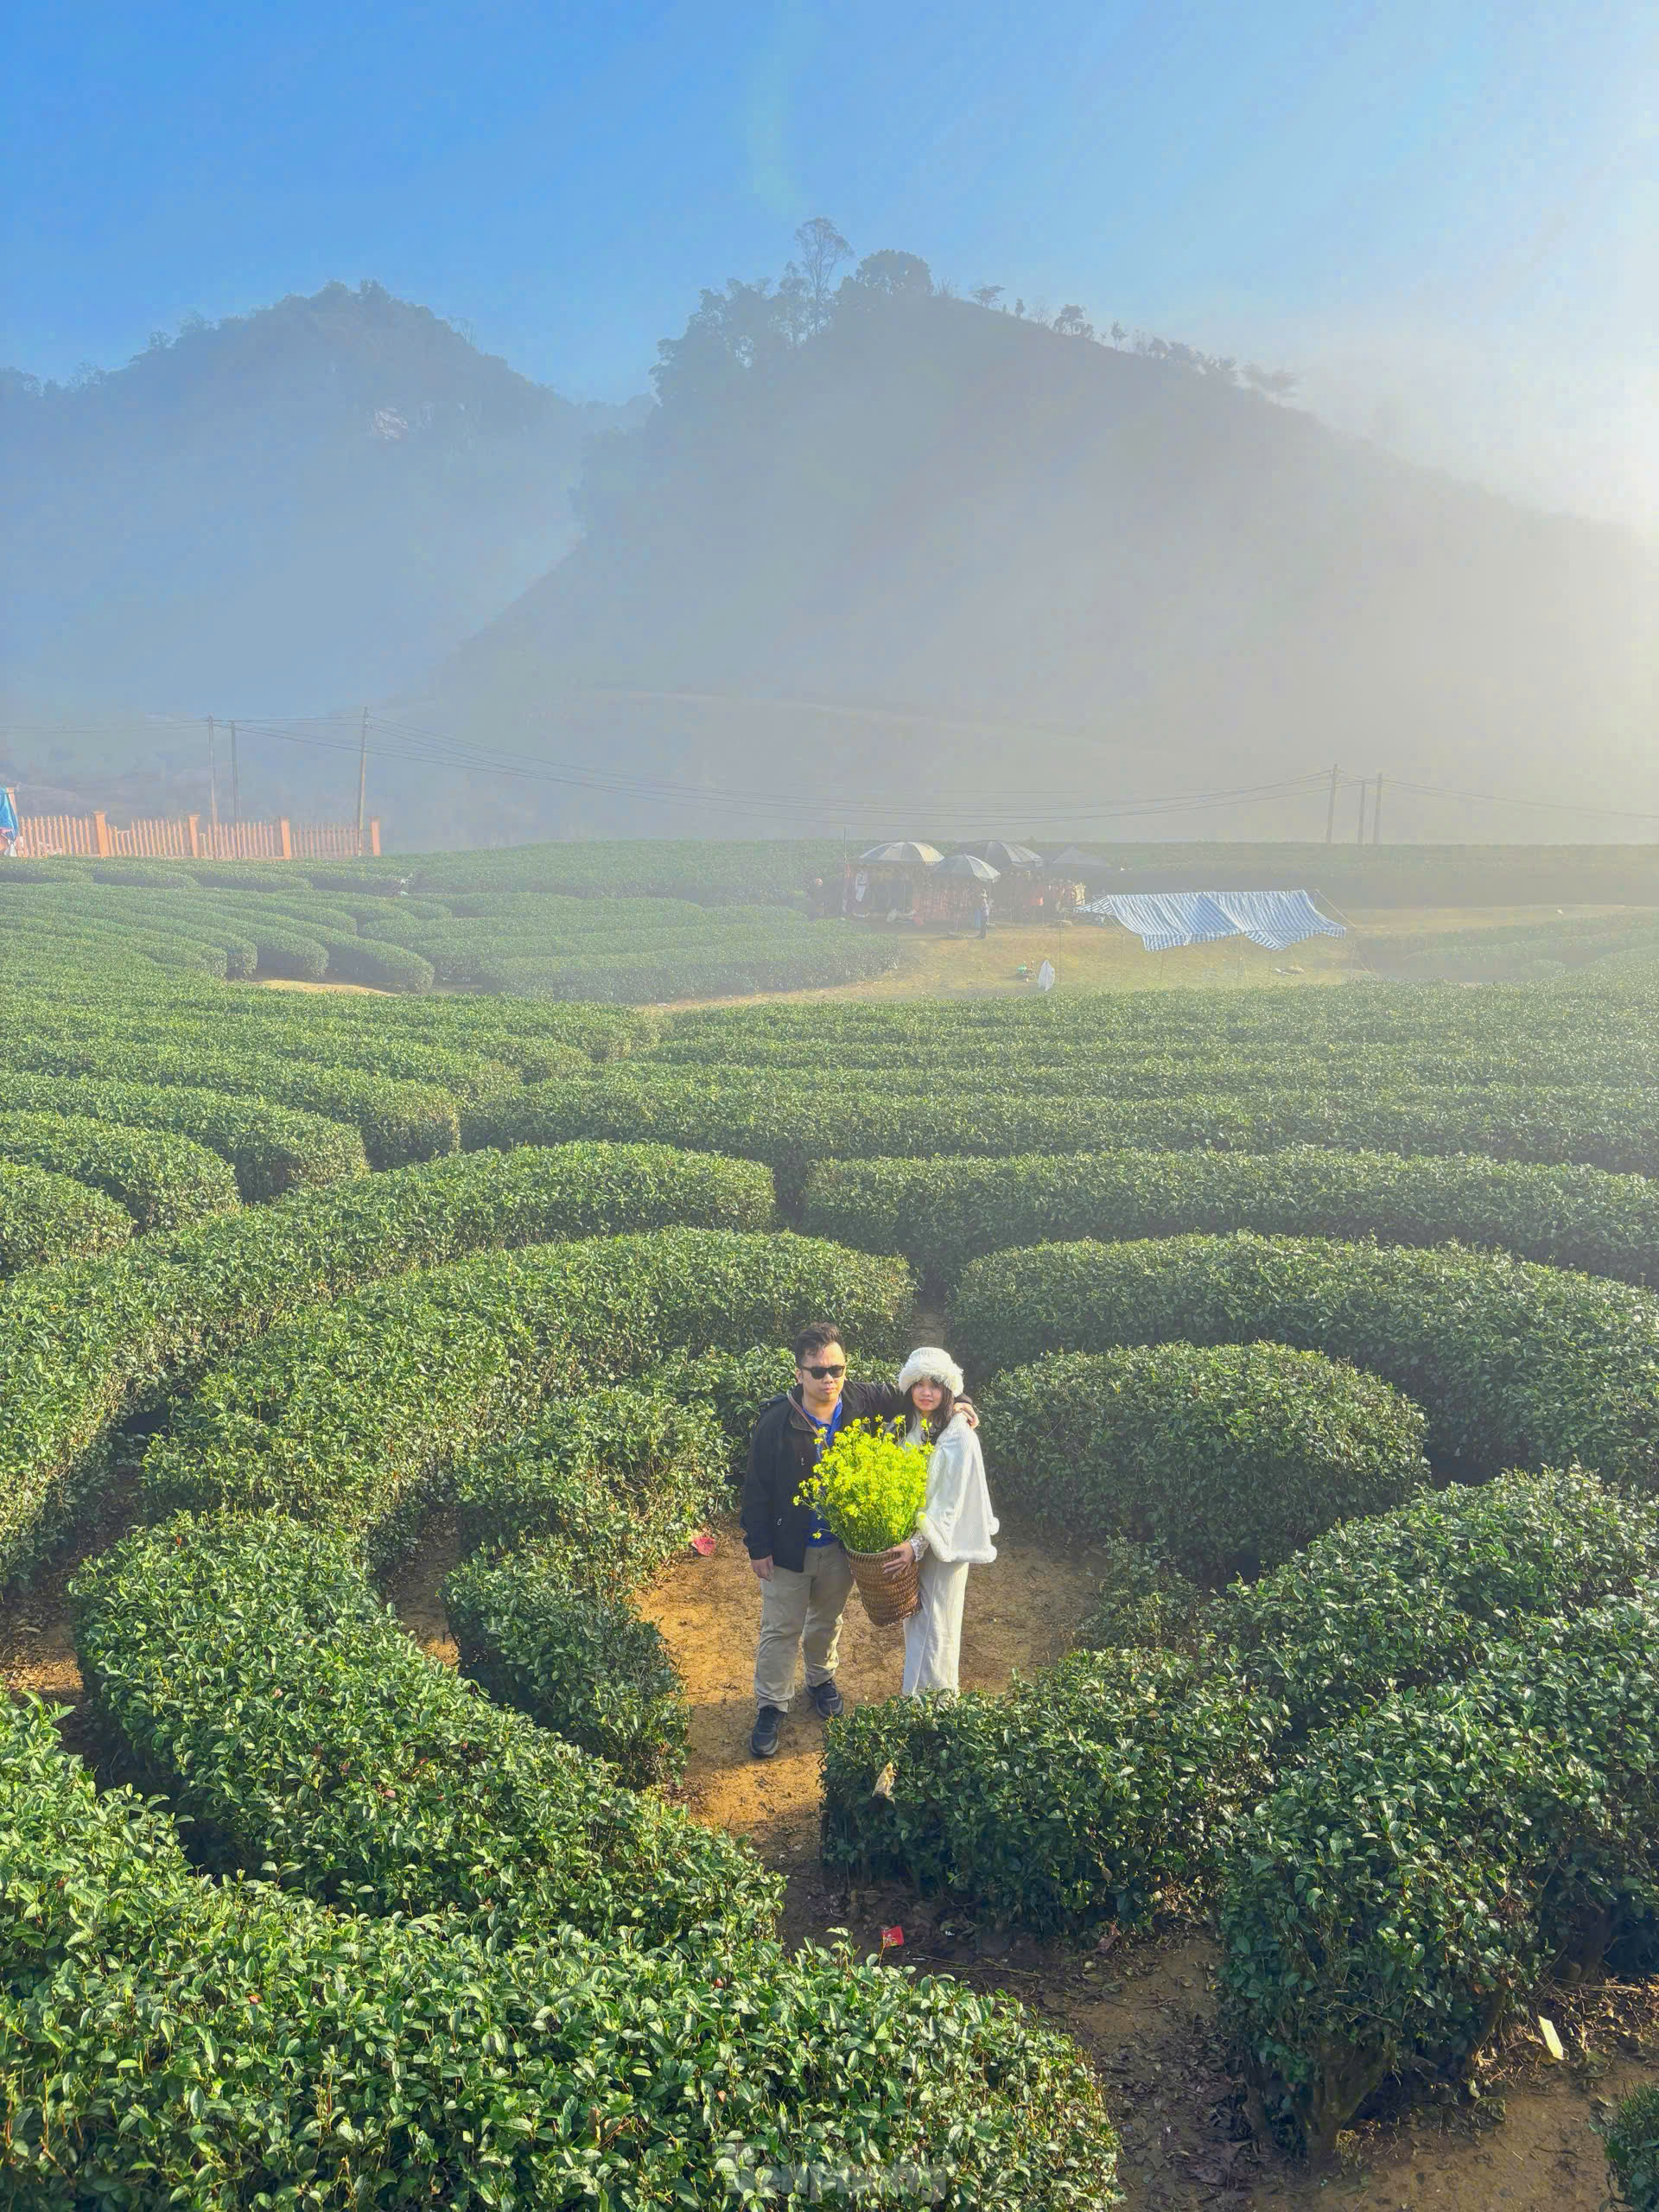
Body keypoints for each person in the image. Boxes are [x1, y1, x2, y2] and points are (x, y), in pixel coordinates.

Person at [741, 1320, 976, 1760]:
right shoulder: (776, 1420)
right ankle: (772, 1705)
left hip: (838, 1546)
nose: (828, 1379)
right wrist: (758, 1547)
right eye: (817, 1371)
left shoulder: (859, 1398)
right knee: (781, 1627)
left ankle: (820, 1679)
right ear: (799, 1374)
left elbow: (917, 1390)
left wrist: (960, 1400)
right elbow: (755, 1488)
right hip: (788, 1545)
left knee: (827, 1619)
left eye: (837, 1368)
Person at [880, 1347, 998, 1697]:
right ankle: (915, 1697)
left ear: (949, 1390)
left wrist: (916, 1544)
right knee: (917, 1621)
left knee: (939, 1623)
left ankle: (935, 1704)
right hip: (911, 1541)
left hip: (943, 1545)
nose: (926, 1392)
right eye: (919, 1384)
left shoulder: (959, 1434)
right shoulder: (903, 1427)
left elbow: (950, 1503)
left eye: (935, 1385)